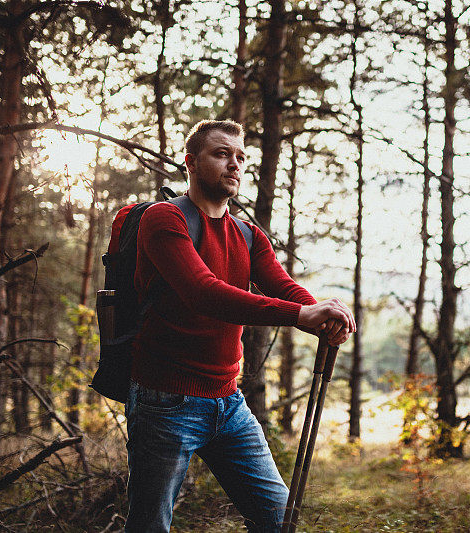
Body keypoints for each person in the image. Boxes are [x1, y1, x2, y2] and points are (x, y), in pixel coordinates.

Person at [125, 119, 355, 532]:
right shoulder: (164, 219)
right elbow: (204, 292)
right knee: (149, 527)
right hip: (165, 403)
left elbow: (283, 287)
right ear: (191, 163)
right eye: (221, 154)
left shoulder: (248, 235)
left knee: (277, 521)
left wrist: (321, 313)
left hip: (229, 403)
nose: (234, 164)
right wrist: (301, 316)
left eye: (240, 157)